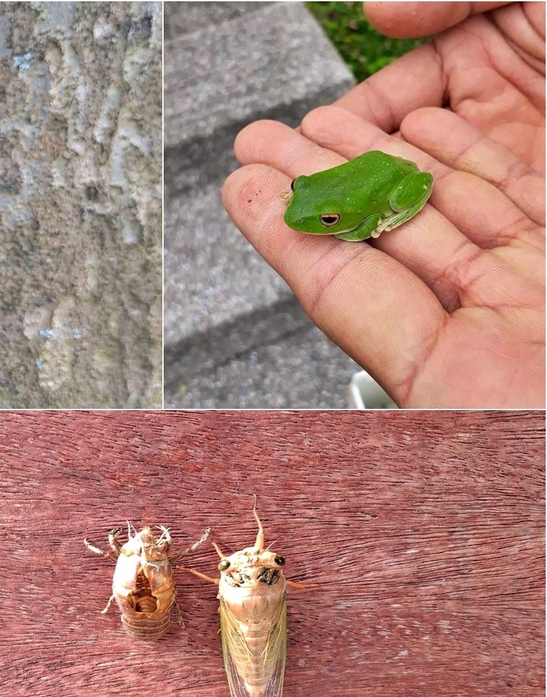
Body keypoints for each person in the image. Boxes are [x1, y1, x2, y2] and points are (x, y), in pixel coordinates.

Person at [224, 1, 544, 408]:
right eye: (297, 189)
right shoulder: (313, 194)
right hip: (371, 166)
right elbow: (312, 183)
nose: (322, 222)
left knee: (388, 199)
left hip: (395, 179)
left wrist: (371, 223)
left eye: (329, 220)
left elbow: (366, 222)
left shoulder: (357, 216)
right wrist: (303, 193)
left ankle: (398, 207)